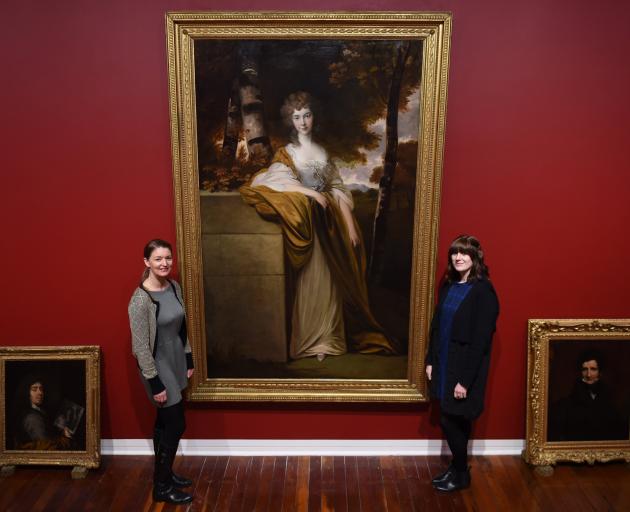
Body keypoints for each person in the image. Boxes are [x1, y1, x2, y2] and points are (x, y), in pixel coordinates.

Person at [240, 91, 396, 360]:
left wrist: (349, 225)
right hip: (310, 224)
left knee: (332, 281)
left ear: (314, 118)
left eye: (307, 115)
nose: (302, 122)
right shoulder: (285, 153)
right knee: (313, 279)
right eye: (297, 117)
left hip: (332, 224)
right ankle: (310, 343)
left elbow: (337, 188)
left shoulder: (323, 152)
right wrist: (311, 194)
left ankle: (330, 341)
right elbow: (275, 180)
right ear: (291, 120)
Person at [425, 235, 499, 492]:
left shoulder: (483, 292)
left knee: (451, 419)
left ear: (475, 257)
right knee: (452, 419)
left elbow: (480, 344)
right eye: (455, 253)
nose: (458, 257)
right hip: (444, 363)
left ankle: (460, 472)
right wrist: (430, 360)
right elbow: (437, 328)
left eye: (464, 253)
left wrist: (465, 381)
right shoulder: (448, 286)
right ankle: (457, 469)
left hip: (464, 369)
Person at [128, 239, 194, 504]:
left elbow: (181, 326)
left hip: (176, 359)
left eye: (168, 258)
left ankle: (165, 473)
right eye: (158, 259)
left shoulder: (173, 287)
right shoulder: (140, 301)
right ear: (147, 263)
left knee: (165, 422)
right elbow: (140, 347)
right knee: (176, 422)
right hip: (157, 366)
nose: (164, 263)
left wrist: (188, 358)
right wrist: (154, 383)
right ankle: (162, 486)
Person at [548, 350, 628, 441]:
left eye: (593, 369)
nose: (589, 375)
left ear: (600, 373)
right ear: (580, 372)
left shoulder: (609, 400)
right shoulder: (567, 403)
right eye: (585, 369)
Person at [13, 376, 73, 450]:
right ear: (27, 393)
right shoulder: (32, 418)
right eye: (34, 389)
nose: (40, 393)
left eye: (41, 389)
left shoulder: (40, 411)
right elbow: (47, 447)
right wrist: (65, 438)